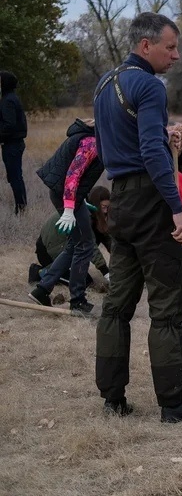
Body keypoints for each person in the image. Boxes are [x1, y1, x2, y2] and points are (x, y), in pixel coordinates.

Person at [93, 12, 182, 422]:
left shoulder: (104, 85)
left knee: (116, 306)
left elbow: (121, 142)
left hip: (120, 202)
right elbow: (150, 154)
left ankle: (112, 398)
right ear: (145, 45)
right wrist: (179, 211)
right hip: (150, 202)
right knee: (167, 308)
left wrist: (163, 135)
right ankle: (175, 403)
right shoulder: (149, 85)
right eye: (170, 46)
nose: (176, 55)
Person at [28, 119, 104, 315]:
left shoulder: (92, 137)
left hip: (66, 194)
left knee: (75, 243)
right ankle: (77, 300)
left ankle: (42, 289)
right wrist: (70, 208)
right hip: (65, 193)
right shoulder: (92, 143)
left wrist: (80, 202)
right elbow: (73, 175)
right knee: (85, 245)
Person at [30, 185, 112, 289]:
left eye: (108, 207)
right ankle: (40, 273)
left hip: (63, 247)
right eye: (103, 207)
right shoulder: (83, 214)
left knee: (82, 278)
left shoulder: (96, 215)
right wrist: (105, 272)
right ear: (95, 204)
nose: (105, 211)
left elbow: (108, 238)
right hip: (48, 250)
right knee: (84, 282)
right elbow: (90, 244)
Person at [0, 70, 28, 214]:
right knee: (15, 176)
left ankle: (21, 208)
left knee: (15, 176)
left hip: (12, 145)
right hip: (14, 144)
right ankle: (21, 206)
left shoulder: (7, 101)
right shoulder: (11, 98)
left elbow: (9, 125)